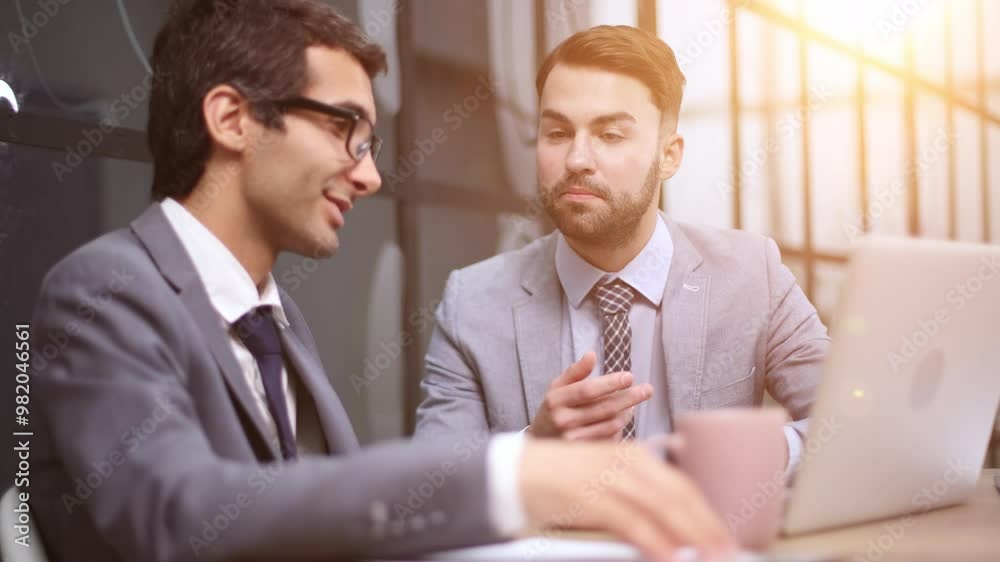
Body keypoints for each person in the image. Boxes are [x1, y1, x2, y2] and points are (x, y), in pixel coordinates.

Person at [28, 3, 735, 561]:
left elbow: (309, 514)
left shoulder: (273, 319)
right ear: (232, 118)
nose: (368, 175)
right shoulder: (102, 290)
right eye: (348, 132)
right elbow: (178, 512)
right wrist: (508, 475)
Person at [415, 25, 828, 473]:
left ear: (669, 156)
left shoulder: (752, 276)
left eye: (610, 135)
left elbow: (851, 426)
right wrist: (533, 452)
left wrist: (750, 455)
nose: (576, 159)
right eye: (556, 133)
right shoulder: (472, 302)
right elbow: (429, 482)